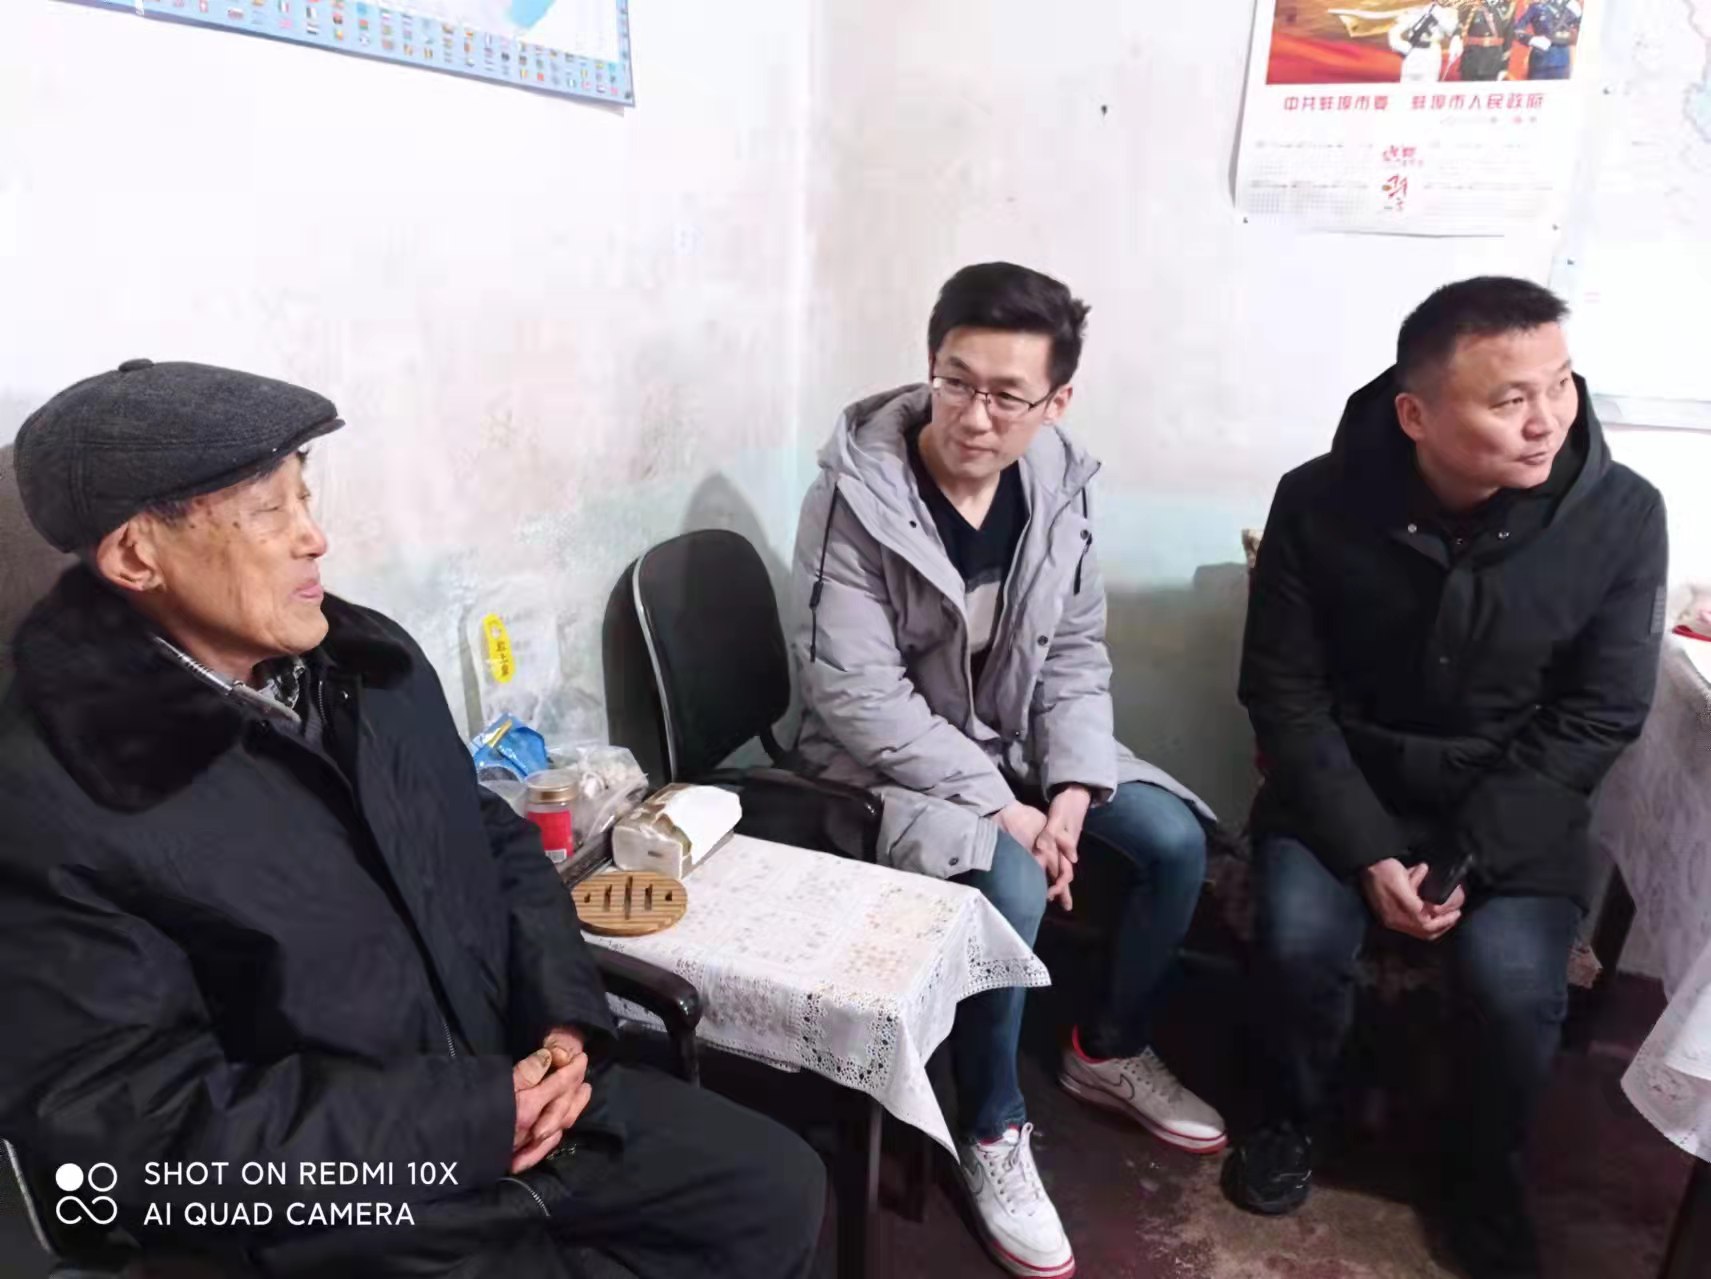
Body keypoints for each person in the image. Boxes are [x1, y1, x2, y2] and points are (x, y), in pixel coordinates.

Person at [0, 360, 825, 1279]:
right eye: (268, 511)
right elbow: (134, 1140)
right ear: (135, 556)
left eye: (304, 494)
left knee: (774, 1188)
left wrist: (562, 1023)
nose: (315, 536)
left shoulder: (364, 663)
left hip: (522, 1097)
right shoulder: (56, 791)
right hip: (350, 1204)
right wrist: (468, 1121)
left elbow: (491, 840)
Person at [788, 262, 1225, 1278]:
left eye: (1005, 396)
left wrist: (1069, 787)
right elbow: (855, 695)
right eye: (955, 381)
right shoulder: (854, 494)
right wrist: (1006, 810)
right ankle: (989, 1124)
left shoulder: (1057, 484)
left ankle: (1106, 1048)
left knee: (1170, 841)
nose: (973, 417)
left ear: (1055, 401)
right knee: (1010, 880)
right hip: (882, 762)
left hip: (1017, 738)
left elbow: (1073, 651)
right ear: (929, 364)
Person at [1227, 278, 1666, 1279]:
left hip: (1514, 806)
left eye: (1559, 383)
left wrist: (1464, 854)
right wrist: (1367, 848)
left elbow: (1599, 713)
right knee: (1297, 943)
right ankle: (1289, 1119)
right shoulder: (1316, 499)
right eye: (1509, 398)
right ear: (1415, 415)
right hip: (1344, 787)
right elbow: (1283, 693)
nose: (1546, 418)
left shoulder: (1621, 514)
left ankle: (1481, 1172)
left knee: (1512, 987)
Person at [1514, 0, 1580, 80]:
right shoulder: (1536, 7)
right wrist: (1533, 40)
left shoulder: (1572, 7)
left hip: (1562, 60)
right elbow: (1517, 30)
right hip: (1540, 60)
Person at [1454, 0, 1512, 81]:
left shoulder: (1507, 7)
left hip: (1493, 62)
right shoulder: (1471, 4)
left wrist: (1504, 67)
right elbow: (1460, 24)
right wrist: (1456, 37)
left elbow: (1508, 37)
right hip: (1471, 60)